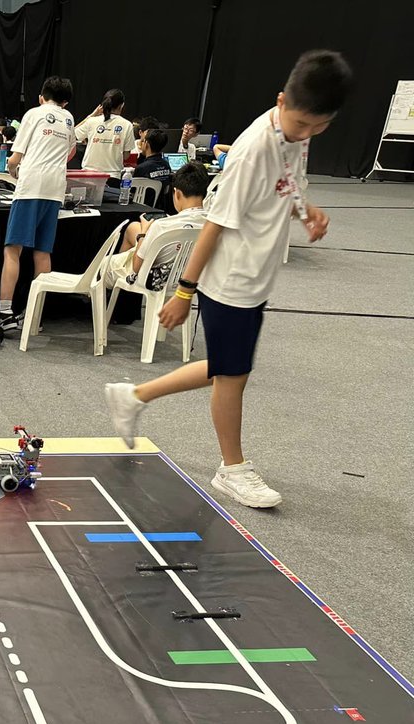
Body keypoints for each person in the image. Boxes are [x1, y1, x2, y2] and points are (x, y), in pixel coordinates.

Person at [104, 50, 350, 509]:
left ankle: (133, 396)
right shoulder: (253, 151)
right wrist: (184, 291)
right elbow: (213, 226)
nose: (306, 134)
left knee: (226, 366)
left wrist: (306, 211)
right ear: (281, 101)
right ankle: (232, 469)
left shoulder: (296, 134)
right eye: (301, 125)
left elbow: (288, 185)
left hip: (256, 277)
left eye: (318, 127)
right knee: (232, 375)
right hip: (230, 280)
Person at [0, 75, 76, 333]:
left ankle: (5, 313)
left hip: (31, 187)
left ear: (42, 96)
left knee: (13, 249)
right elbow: (71, 151)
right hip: (55, 189)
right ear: (65, 101)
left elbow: (14, 158)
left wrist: (14, 172)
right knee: (42, 252)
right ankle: (35, 315)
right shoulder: (68, 118)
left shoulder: (34, 114)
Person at [98, 162, 208, 299]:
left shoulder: (162, 226)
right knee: (133, 228)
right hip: (195, 280)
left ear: (177, 194)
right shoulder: (213, 226)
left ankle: (115, 300)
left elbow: (137, 267)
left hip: (152, 280)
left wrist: (144, 233)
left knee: (105, 265)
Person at [73, 88, 134, 176]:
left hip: (88, 175)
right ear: (122, 105)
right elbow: (126, 156)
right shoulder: (127, 125)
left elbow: (72, 134)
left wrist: (91, 116)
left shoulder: (92, 121)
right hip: (113, 176)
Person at [133, 128, 173, 208]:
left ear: (146, 144)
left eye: (143, 141)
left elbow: (132, 192)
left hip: (142, 207)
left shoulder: (141, 168)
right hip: (161, 208)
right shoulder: (166, 165)